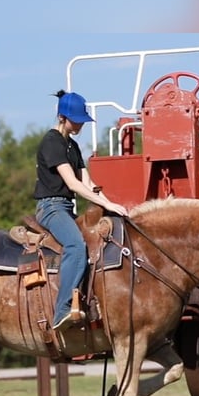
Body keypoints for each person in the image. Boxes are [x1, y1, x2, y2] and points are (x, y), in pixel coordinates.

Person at [34, 90, 129, 332]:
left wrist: (112, 206)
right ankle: (62, 310)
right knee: (76, 246)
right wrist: (107, 205)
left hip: (66, 208)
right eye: (76, 120)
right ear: (62, 117)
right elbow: (73, 184)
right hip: (51, 207)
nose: (80, 125)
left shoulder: (72, 146)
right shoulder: (51, 142)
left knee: (97, 242)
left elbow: (88, 183)